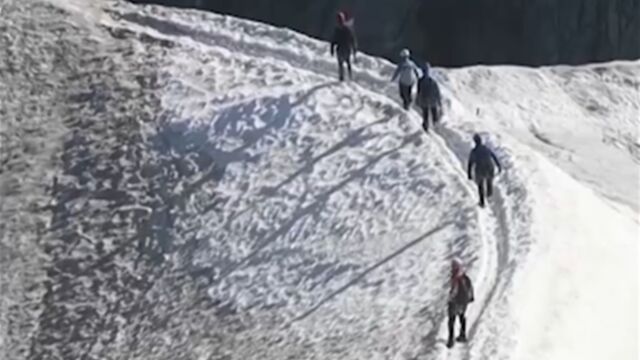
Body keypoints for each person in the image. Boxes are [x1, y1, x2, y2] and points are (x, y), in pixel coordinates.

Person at [467, 134, 502, 208]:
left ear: (475, 142)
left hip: (480, 169)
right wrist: (499, 166)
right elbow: (494, 157)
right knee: (489, 181)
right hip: (490, 167)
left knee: (480, 185)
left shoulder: (474, 151)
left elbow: (470, 163)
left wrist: (469, 174)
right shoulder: (486, 148)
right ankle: (489, 195)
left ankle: (482, 202)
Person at [447, 257, 474, 348]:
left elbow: (454, 291)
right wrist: (470, 298)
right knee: (462, 316)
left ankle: (451, 339)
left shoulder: (456, 277)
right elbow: (470, 288)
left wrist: (450, 298)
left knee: (451, 320)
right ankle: (463, 335)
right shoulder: (465, 277)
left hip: (456, 302)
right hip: (464, 302)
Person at [330, 11, 358, 82]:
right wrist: (354, 49)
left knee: (341, 64)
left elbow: (333, 40)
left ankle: (343, 78)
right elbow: (352, 39)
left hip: (341, 49)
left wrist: (332, 49)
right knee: (347, 63)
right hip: (346, 49)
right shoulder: (347, 29)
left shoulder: (338, 29)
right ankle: (349, 77)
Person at [416, 62, 442, 132]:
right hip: (432, 100)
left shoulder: (420, 81)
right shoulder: (432, 81)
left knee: (425, 113)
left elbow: (419, 91)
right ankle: (436, 124)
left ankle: (426, 125)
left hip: (424, 100)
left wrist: (417, 99)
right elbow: (437, 91)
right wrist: (439, 101)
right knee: (434, 112)